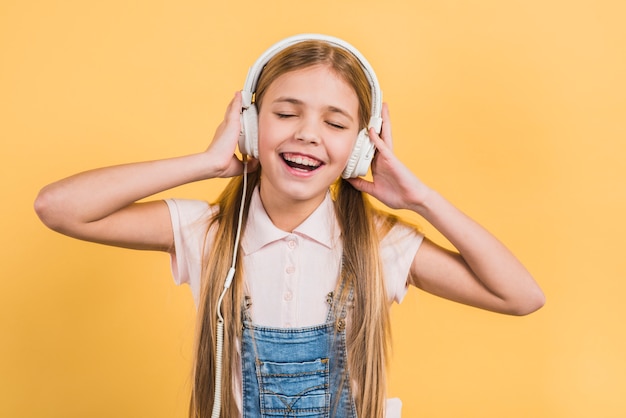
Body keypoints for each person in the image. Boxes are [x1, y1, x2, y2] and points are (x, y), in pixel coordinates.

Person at [34, 34, 545, 418]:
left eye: (336, 123)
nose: (307, 134)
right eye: (286, 113)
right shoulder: (209, 233)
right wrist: (207, 162)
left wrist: (422, 200)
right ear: (252, 127)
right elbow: (59, 207)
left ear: (359, 151)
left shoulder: (379, 245)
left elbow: (521, 296)